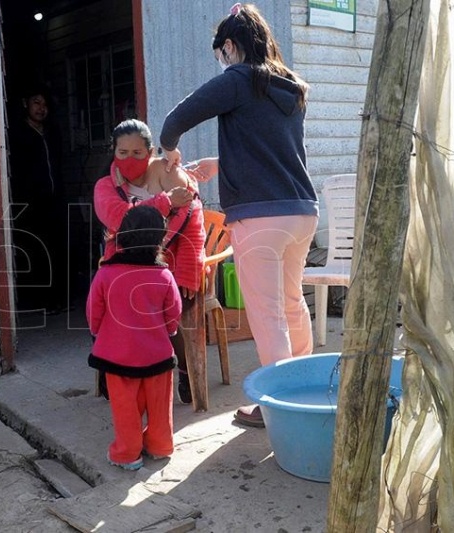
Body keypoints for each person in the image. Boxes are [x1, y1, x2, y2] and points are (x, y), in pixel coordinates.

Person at [160, 3, 319, 428]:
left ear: (230, 46)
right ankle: (303, 388)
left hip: (259, 220)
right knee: (290, 303)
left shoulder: (238, 79)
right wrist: (220, 163)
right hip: (301, 211)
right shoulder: (290, 86)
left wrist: (170, 150)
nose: (221, 60)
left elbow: (175, 120)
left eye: (220, 52)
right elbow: (277, 154)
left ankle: (279, 407)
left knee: (266, 315)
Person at [93, 119, 205, 404]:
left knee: (177, 298)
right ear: (113, 152)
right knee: (116, 297)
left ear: (151, 151)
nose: (129, 160)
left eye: (137, 153)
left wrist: (191, 266)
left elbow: (193, 215)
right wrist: (165, 202)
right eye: (122, 153)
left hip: (169, 262)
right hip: (123, 263)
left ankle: (183, 370)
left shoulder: (168, 172)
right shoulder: (105, 186)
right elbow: (121, 219)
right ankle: (112, 368)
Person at [87, 205, 182, 469]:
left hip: (118, 357)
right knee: (159, 405)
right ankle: (161, 446)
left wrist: (97, 332)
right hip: (158, 356)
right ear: (161, 238)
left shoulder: (106, 273)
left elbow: (94, 311)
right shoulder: (164, 275)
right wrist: (169, 331)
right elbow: (174, 312)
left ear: (122, 234)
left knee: (125, 407)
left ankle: (127, 455)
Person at [8, 84, 69, 315]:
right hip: (31, 205)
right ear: (26, 104)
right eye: (36, 103)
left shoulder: (51, 132)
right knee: (35, 252)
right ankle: (40, 301)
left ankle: (58, 298)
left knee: (57, 249)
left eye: (44, 104)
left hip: (54, 201)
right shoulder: (18, 134)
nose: (41, 108)